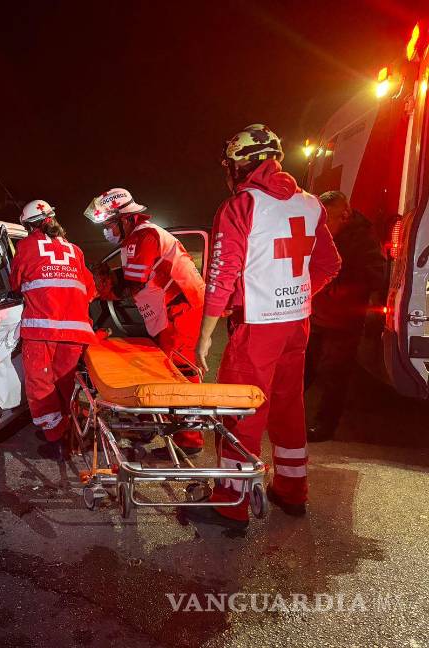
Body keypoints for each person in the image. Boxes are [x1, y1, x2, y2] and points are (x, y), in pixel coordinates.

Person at [191, 124, 341, 530]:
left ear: (240, 165)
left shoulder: (240, 206)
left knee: (240, 412)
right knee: (289, 405)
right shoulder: (311, 204)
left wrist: (204, 335)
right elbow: (329, 264)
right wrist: (296, 291)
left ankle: (230, 502)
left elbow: (222, 275)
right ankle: (292, 491)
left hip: (257, 326)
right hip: (297, 324)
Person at [84, 188, 207, 458]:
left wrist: (105, 288)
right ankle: (163, 422)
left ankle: (190, 439)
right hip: (175, 307)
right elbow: (135, 275)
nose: (107, 231)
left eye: (108, 225)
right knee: (170, 369)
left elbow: (133, 282)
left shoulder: (143, 237)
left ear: (125, 219)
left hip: (180, 309)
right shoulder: (141, 236)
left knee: (180, 373)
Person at [9, 200, 98, 459]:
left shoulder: (25, 246)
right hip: (76, 331)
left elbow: (15, 283)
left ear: (28, 226)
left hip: (42, 329)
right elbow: (90, 290)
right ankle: (68, 431)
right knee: (65, 384)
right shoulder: (76, 250)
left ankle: (56, 439)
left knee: (40, 385)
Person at [304, 192, 385, 441]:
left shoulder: (362, 240)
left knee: (334, 375)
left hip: (343, 320)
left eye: (327, 220)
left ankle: (325, 426)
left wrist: (335, 289)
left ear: (345, 215)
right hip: (318, 315)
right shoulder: (325, 233)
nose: (323, 226)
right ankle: (282, 414)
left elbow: (375, 276)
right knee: (304, 369)